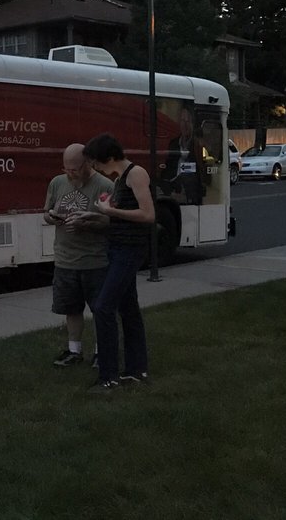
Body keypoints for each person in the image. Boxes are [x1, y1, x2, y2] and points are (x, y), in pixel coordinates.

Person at [83, 132, 155, 392]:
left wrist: (111, 211)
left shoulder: (136, 174)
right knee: (128, 308)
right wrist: (97, 214)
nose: (97, 169)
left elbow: (147, 214)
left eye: (98, 164)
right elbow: (121, 214)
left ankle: (108, 376)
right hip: (117, 247)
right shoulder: (119, 181)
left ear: (110, 157)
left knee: (103, 307)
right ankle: (137, 369)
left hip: (130, 250)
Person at [43, 143, 112, 368]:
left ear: (88, 163)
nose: (70, 174)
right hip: (65, 259)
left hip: (94, 260)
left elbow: (111, 221)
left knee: (100, 309)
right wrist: (52, 217)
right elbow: (47, 212)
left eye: (75, 169)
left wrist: (87, 222)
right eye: (66, 170)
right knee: (71, 309)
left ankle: (102, 352)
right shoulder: (57, 183)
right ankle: (74, 350)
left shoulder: (104, 186)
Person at [160, 106, 205, 205]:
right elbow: (167, 171)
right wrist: (170, 193)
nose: (185, 124)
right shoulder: (173, 143)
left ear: (193, 124)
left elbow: (201, 172)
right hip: (173, 189)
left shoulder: (197, 145)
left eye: (188, 121)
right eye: (182, 120)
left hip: (190, 192)